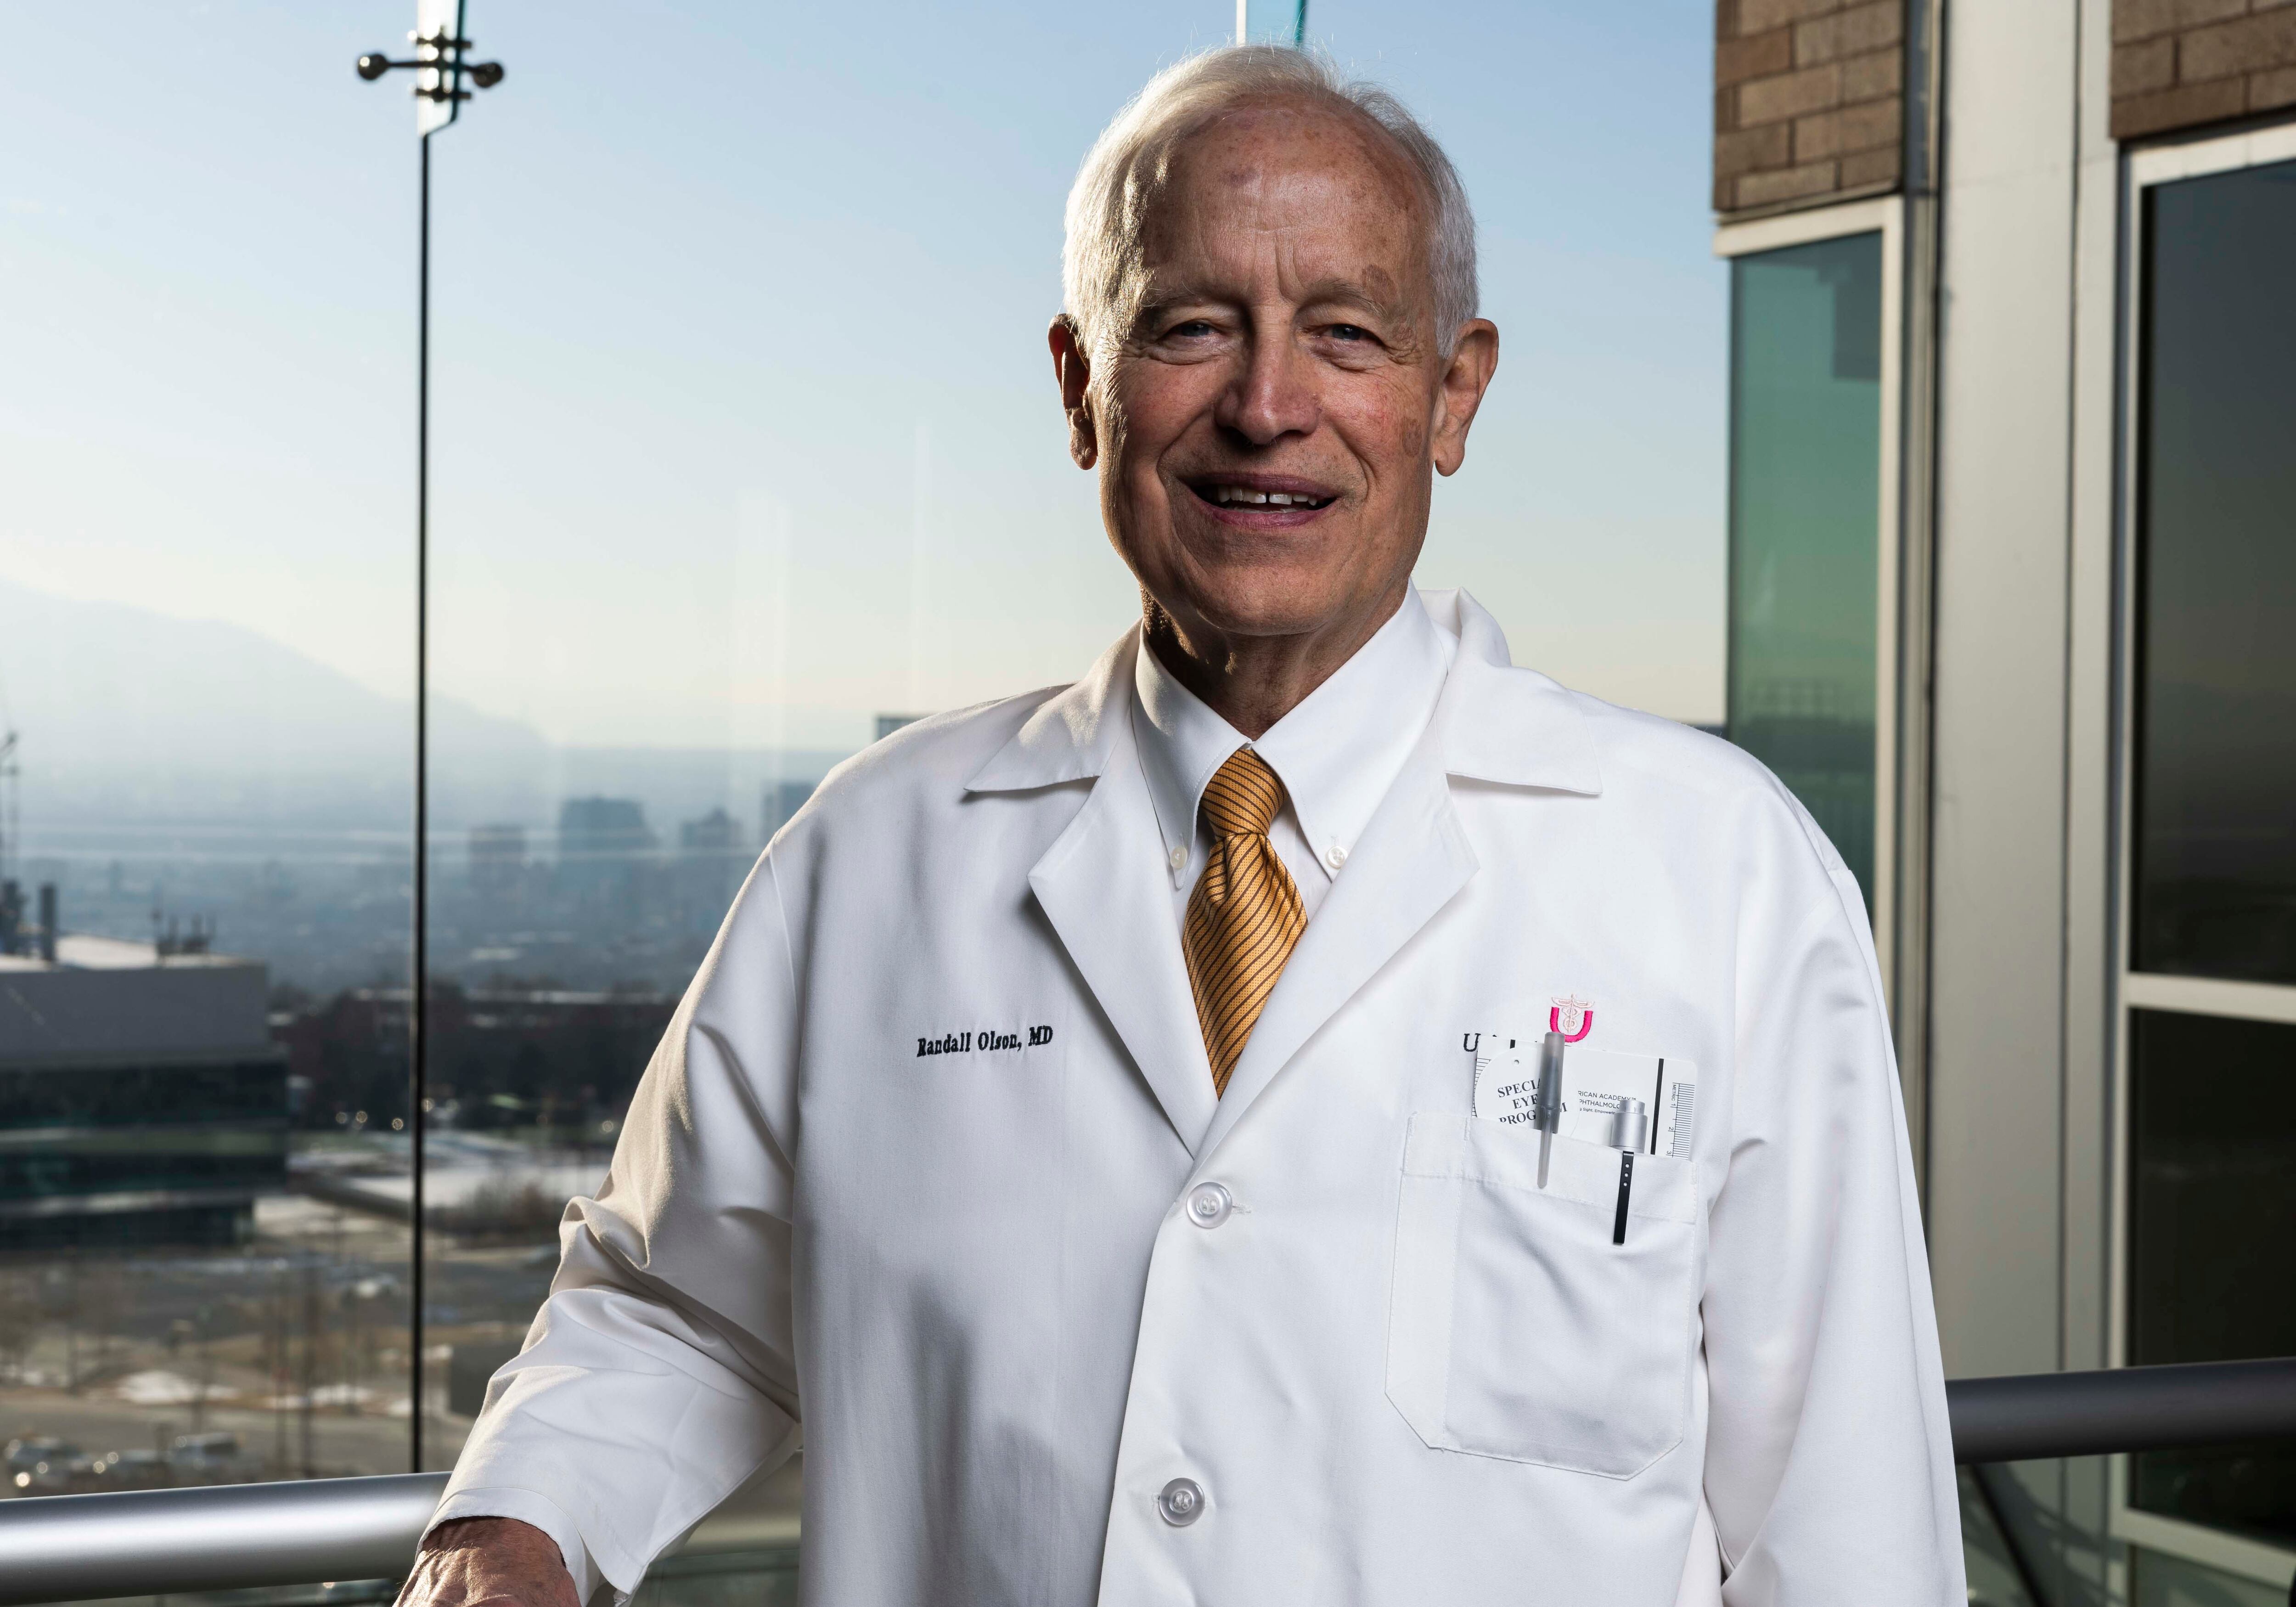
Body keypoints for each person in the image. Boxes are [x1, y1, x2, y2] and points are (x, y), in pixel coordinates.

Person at [400, 45, 1964, 1607]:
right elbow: (684, 1306)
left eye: (1345, 332)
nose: (1269, 408)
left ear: (1453, 393)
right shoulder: (872, 854)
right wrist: (512, 1530)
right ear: (1084, 388)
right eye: (1191, 328)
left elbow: (1847, 1528)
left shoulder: (1719, 872)